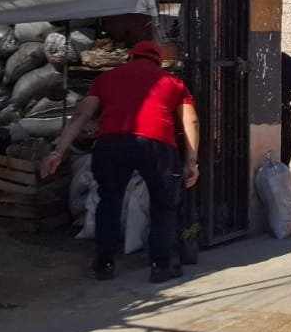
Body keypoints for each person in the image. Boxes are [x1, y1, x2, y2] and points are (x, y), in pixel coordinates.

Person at [41, 41, 200, 282]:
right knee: (163, 205)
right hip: (157, 144)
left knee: (109, 202)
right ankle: (161, 266)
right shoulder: (173, 82)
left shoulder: (107, 78)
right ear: (158, 61)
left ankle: (104, 264)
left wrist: (58, 151)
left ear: (130, 57)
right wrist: (191, 161)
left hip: (112, 142)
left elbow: (82, 115)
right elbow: (191, 122)